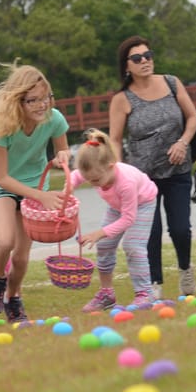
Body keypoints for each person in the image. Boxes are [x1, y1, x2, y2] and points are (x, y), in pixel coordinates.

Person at [108, 36, 196, 299]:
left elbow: (192, 117)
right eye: (137, 58)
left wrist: (183, 142)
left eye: (148, 55)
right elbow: (114, 139)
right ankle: (155, 284)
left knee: (180, 228)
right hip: (142, 177)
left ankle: (185, 269)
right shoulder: (122, 99)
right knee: (152, 231)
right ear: (127, 66)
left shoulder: (172, 83)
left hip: (178, 169)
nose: (145, 61)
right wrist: (119, 171)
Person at [0, 61, 71, 323]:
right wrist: (40, 196)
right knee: (6, 241)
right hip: (4, 187)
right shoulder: (3, 126)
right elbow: (2, 177)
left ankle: (13, 297)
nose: (42, 105)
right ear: (18, 101)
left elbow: (62, 151)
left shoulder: (54, 119)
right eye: (33, 100)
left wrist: (63, 155)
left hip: (34, 186)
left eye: (46, 98)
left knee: (20, 257)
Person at [70, 129, 158, 312]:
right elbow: (75, 177)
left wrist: (99, 233)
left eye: (96, 180)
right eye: (89, 180)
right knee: (104, 245)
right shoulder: (94, 170)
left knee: (133, 245)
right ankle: (106, 294)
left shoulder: (126, 182)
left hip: (142, 204)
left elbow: (128, 218)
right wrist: (66, 191)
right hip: (117, 206)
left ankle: (145, 293)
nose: (93, 184)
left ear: (111, 166)